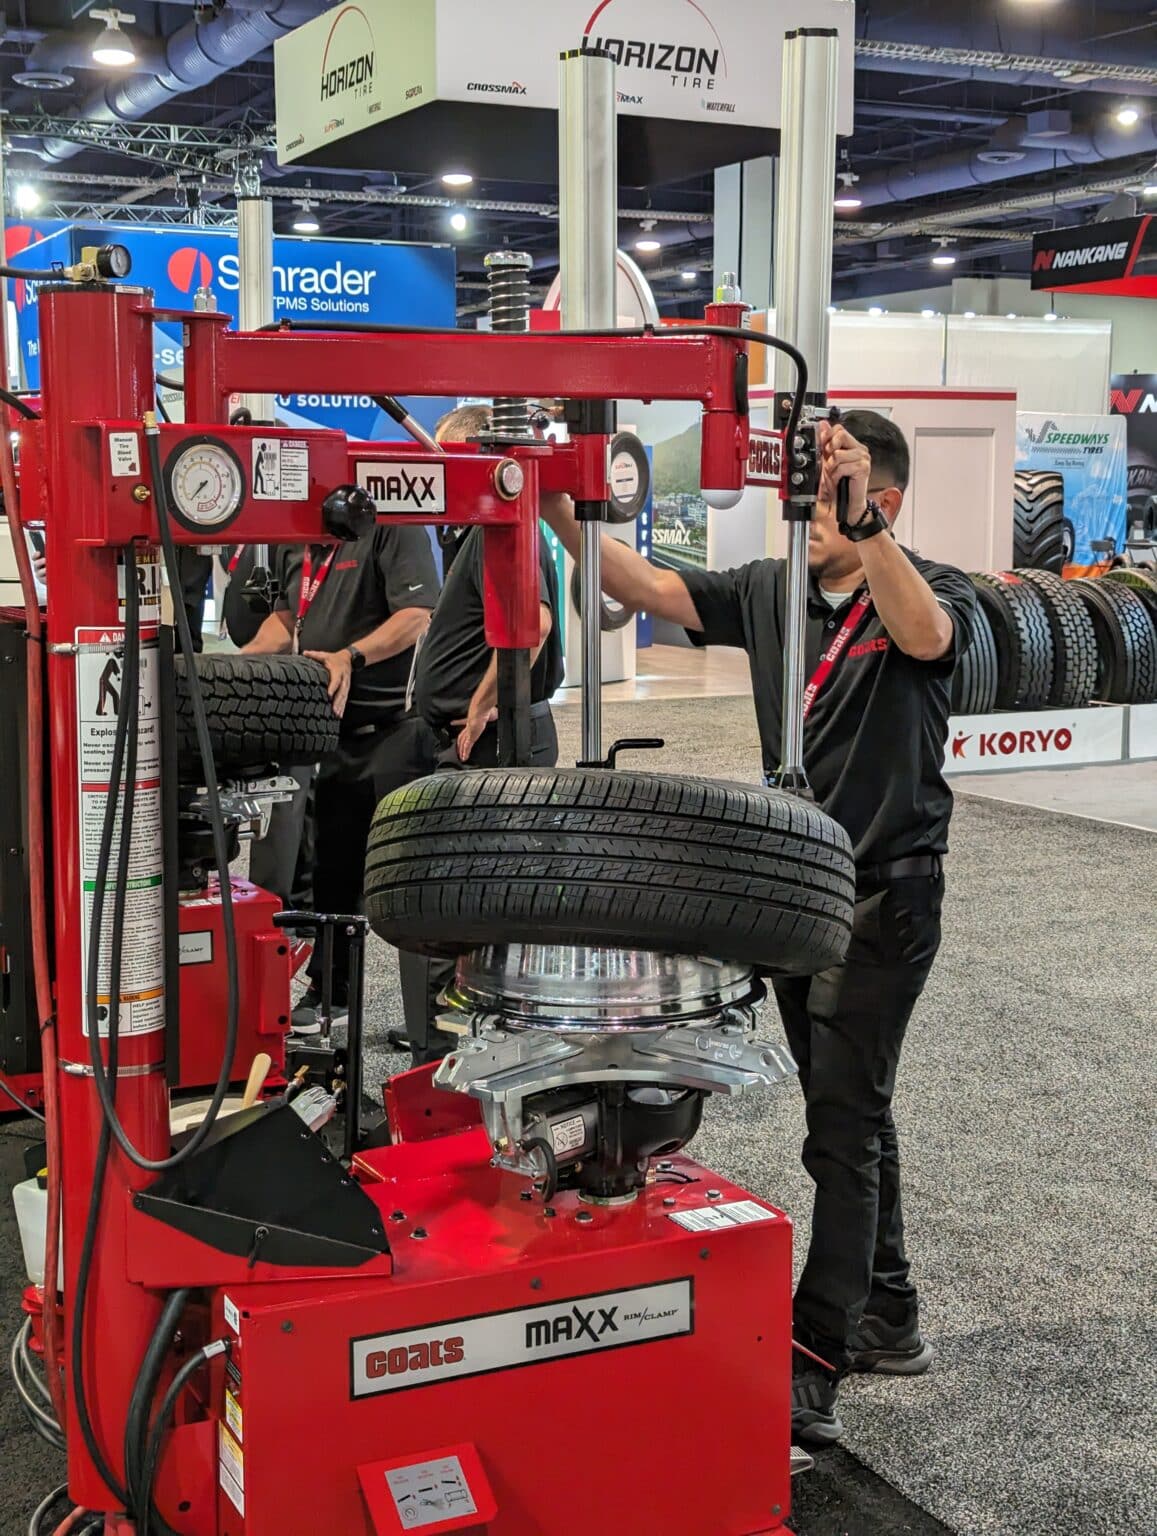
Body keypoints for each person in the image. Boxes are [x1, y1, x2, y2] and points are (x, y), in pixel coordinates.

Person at [539, 410, 976, 1447]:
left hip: (889, 894)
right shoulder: (775, 587)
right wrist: (553, 507)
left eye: (832, 495)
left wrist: (863, 525)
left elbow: (928, 640)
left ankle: (815, 1355)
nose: (810, 513)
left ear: (883, 500)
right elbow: (642, 588)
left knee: (839, 1126)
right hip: (801, 890)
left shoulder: (928, 587)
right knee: (852, 1109)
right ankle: (890, 1312)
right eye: (811, 493)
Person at [401, 403, 565, 1061]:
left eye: (449, 458)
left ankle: (471, 1051)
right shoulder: (476, 533)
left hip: (495, 743)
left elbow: (538, 623)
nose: (440, 474)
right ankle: (444, 1042)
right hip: (465, 741)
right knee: (447, 897)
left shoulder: (509, 528)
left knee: (477, 900)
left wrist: (479, 702)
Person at [243, 521, 439, 1033]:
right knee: (332, 875)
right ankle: (333, 990)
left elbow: (417, 616)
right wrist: (233, 666)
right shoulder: (298, 540)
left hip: (393, 731)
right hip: (330, 733)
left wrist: (350, 656)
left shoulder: (392, 529)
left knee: (404, 882)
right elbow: (289, 622)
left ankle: (431, 1020)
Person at [222, 545, 315, 911]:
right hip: (281, 682)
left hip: (320, 686)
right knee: (288, 806)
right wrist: (235, 666)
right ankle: (283, 913)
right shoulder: (284, 546)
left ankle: (288, 912)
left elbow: (289, 623)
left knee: (292, 804)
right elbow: (283, 616)